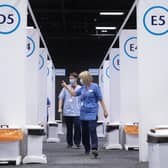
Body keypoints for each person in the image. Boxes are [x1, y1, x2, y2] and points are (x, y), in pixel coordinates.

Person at [61, 70, 108, 158]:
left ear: (86, 78)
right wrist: (66, 87)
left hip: (92, 112)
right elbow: (73, 94)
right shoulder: (82, 88)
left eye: (81, 78)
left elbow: (100, 99)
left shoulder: (95, 87)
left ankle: (94, 148)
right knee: (85, 132)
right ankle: (87, 148)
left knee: (92, 129)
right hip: (83, 113)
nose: (80, 80)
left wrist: (105, 110)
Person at [58, 72, 81, 148]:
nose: (70, 80)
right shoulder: (65, 88)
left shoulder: (80, 88)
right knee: (69, 128)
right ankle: (69, 143)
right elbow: (61, 98)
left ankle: (77, 143)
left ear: (76, 79)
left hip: (77, 111)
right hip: (67, 111)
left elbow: (77, 95)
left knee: (77, 127)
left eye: (72, 78)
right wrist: (59, 107)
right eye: (70, 78)